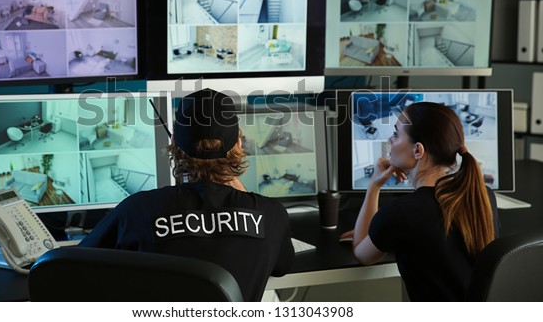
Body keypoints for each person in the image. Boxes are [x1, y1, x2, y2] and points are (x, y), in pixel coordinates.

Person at [80, 88, 294, 301]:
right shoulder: (271, 214)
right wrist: (244, 197)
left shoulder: (137, 210)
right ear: (238, 144)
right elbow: (281, 267)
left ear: (173, 143)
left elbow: (73, 264)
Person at [347, 101, 499, 301]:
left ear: (418, 151)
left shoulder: (401, 212)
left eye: (395, 134)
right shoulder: (483, 196)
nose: (390, 140)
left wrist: (374, 186)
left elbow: (362, 254)